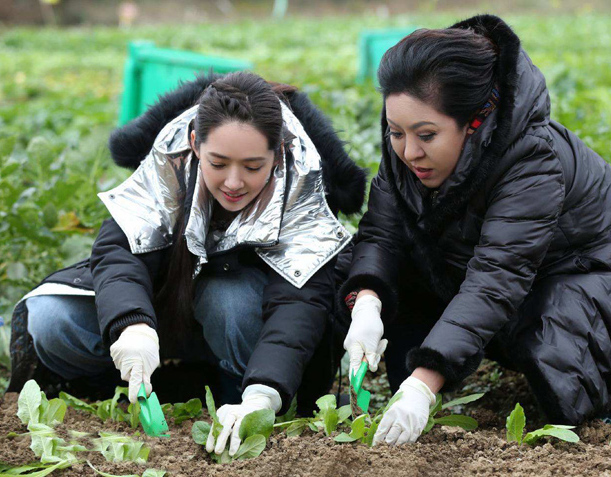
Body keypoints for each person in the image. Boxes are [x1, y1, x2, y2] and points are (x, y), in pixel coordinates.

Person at [338, 15, 611, 446]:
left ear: (473, 122)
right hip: (530, 280)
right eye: (396, 132)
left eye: (426, 135)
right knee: (395, 266)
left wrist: (424, 385)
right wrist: (368, 302)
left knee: (555, 328)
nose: (409, 151)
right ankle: (408, 386)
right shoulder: (411, 150)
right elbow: (381, 234)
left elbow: (497, 278)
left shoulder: (531, 160)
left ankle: (579, 429)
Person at [8, 71, 366, 456]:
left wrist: (263, 394)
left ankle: (235, 397)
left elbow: (298, 304)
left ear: (276, 151)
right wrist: (132, 326)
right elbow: (119, 250)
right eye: (218, 162)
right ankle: (134, 382)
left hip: (243, 334)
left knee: (227, 300)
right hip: (166, 315)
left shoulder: (302, 185)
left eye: (251, 166)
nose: (233, 181)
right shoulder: (168, 160)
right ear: (195, 143)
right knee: (50, 319)